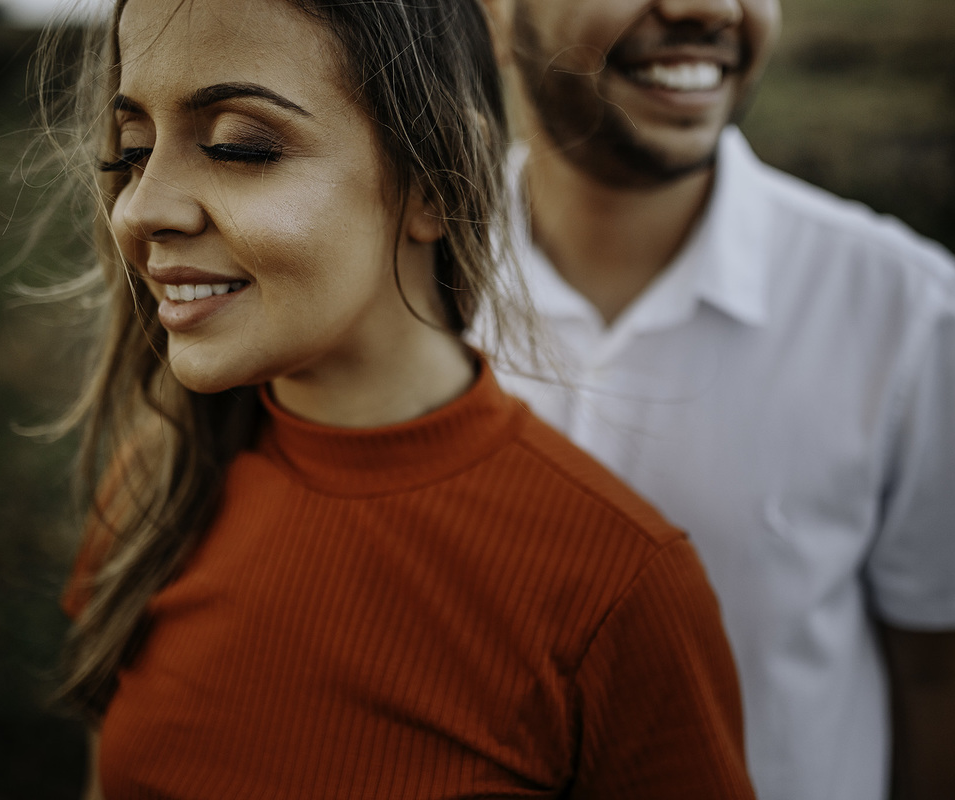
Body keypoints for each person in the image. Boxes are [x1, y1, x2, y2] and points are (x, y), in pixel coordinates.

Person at [49, 0, 756, 797]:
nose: (141, 208)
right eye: (134, 152)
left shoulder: (621, 589)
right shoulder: (155, 489)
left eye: (239, 146)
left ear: (435, 182)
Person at [475, 1, 955, 799]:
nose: (711, 8)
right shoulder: (403, 293)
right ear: (494, 17)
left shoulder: (897, 304)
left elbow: (942, 672)